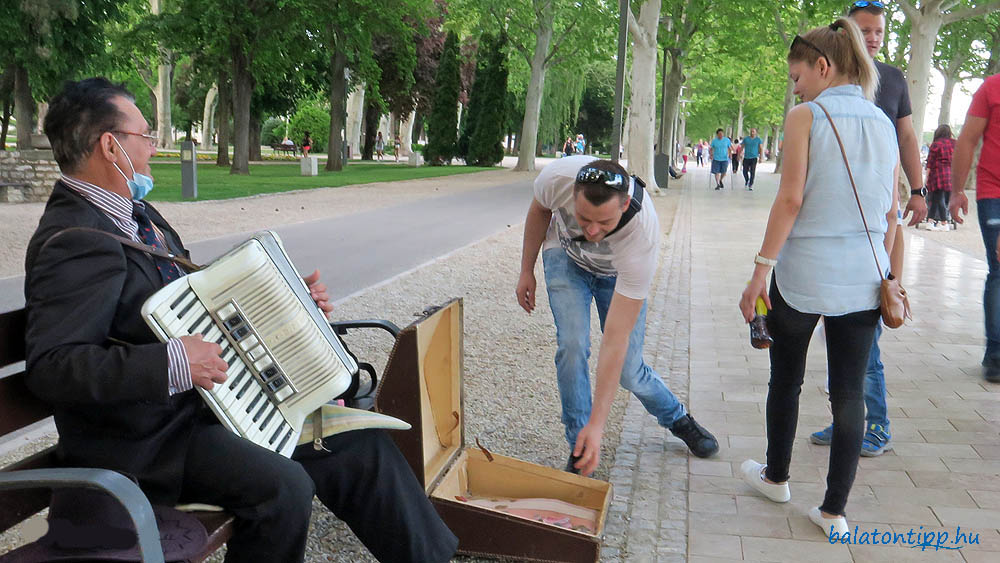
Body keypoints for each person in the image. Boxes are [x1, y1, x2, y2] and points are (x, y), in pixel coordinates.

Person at [23, 78, 458, 563]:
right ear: (110, 145)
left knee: (358, 442)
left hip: (206, 408)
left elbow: (194, 300)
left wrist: (291, 304)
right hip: (148, 442)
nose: (152, 147)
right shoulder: (73, 241)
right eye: (145, 136)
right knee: (282, 488)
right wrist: (171, 363)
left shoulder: (136, 215)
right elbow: (53, 366)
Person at [738, 19, 899, 537]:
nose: (795, 85)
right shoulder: (882, 121)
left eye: (797, 74)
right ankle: (834, 512)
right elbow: (892, 212)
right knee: (850, 394)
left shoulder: (806, 116)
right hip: (863, 276)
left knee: (786, 378)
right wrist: (892, 273)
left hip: (804, 271)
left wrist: (759, 270)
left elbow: (790, 199)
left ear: (823, 66)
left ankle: (778, 477)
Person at [516, 155, 719, 477]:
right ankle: (579, 448)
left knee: (629, 370)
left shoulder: (643, 235)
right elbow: (540, 210)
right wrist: (526, 270)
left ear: (624, 205)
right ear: (573, 196)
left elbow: (615, 339)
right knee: (571, 346)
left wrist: (600, 424)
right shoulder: (556, 179)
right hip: (567, 260)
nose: (593, 231)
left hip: (617, 275)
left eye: (604, 223)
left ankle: (677, 417)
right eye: (584, 219)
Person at [808, 0, 931, 459]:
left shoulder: (893, 80)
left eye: (878, 30)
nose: (873, 37)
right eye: (865, 30)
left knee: (864, 331)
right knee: (839, 330)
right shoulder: (830, 76)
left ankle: (875, 425)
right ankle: (848, 418)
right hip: (834, 216)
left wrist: (918, 189)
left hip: (875, 213)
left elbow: (907, 138)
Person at [950, 72, 1000, 384]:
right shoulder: (992, 87)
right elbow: (967, 138)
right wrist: (956, 191)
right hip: (993, 192)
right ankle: (996, 353)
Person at [924, 124, 955, 230]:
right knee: (940, 199)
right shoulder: (954, 144)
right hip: (951, 174)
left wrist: (926, 178)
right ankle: (931, 221)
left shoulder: (935, 145)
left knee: (938, 198)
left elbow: (930, 162)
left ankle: (943, 222)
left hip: (938, 174)